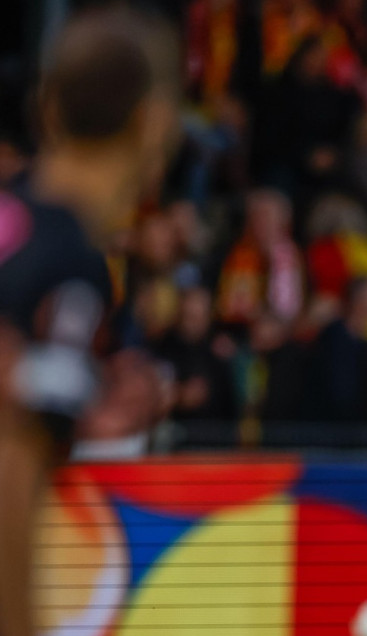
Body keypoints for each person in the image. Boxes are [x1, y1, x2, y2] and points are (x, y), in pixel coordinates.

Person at [0, 7, 179, 635]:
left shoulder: (16, 216)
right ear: (154, 122)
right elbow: (10, 472)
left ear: (49, 108)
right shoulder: (69, 264)